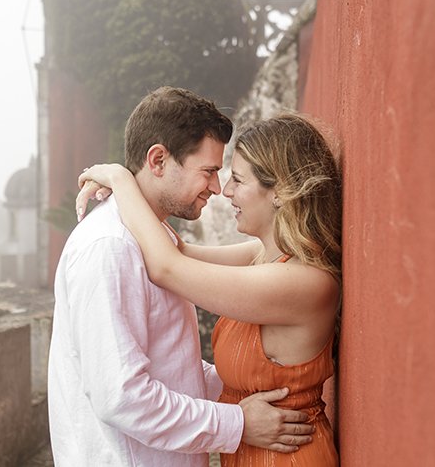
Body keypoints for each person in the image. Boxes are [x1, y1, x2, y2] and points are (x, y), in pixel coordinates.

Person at [48, 87, 315, 466]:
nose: (216, 188)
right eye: (207, 172)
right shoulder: (110, 248)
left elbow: (171, 365)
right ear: (158, 160)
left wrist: (255, 388)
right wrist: (236, 422)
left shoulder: (154, 240)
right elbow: (121, 396)